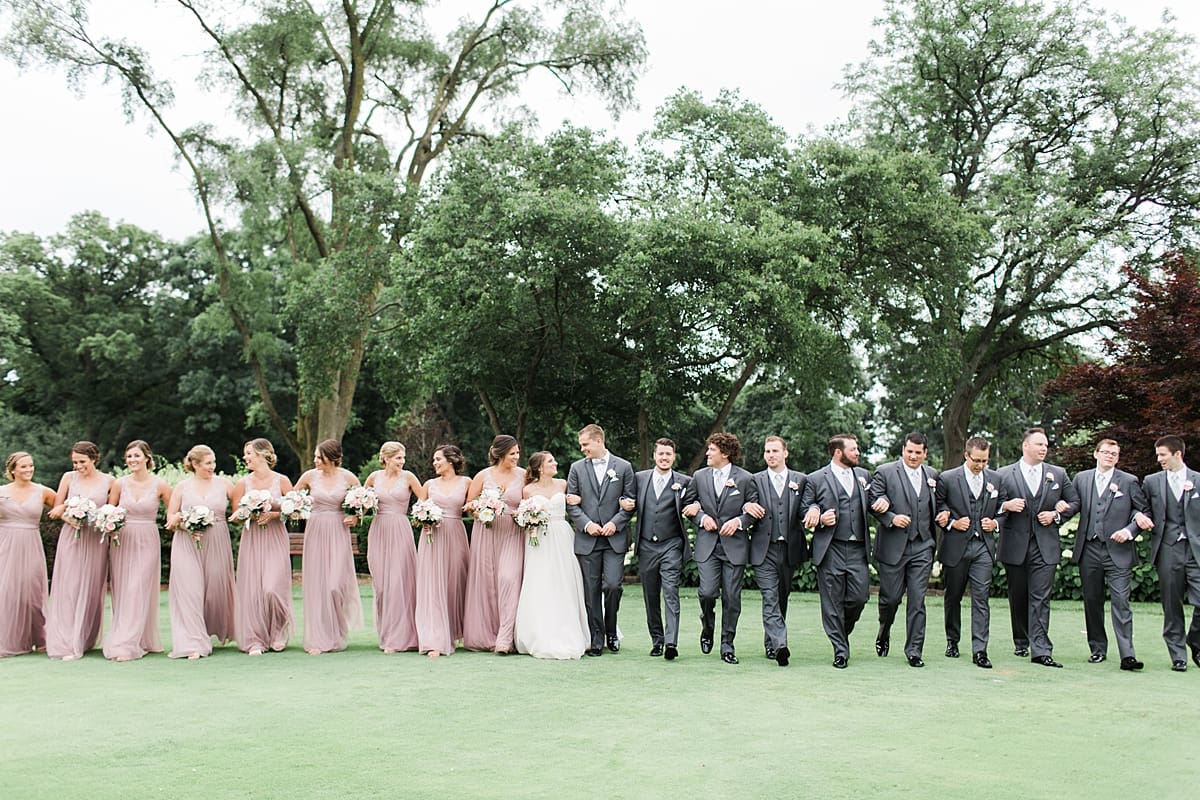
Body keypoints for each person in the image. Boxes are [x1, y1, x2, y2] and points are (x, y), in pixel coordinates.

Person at [996, 427, 1080, 667]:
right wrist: (1006, 506)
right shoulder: (1004, 474)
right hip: (1014, 544)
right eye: (1039, 444)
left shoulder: (1058, 474)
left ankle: (1041, 650)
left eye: (1046, 445)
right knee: (1018, 596)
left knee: (1041, 598)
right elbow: (992, 505)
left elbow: (1074, 502)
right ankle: (1021, 641)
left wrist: (1055, 514)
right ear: (1026, 446)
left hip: (1045, 545)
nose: (1044, 449)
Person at [1070, 439, 1152, 670]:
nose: (1109, 456)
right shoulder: (1082, 479)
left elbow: (1141, 510)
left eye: (1114, 454)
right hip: (1089, 549)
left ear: (1118, 458)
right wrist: (1058, 511)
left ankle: (1127, 655)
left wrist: (1129, 531)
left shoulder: (1128, 481)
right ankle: (1097, 649)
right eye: (1105, 452)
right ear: (1095, 454)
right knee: (1092, 601)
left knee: (1121, 601)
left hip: (1118, 551)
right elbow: (1073, 505)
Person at [680, 432, 758, 665]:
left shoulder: (745, 479)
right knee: (707, 592)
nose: (707, 454)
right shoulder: (700, 476)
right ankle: (708, 626)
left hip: (734, 547)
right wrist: (702, 517)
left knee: (732, 598)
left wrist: (740, 522)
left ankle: (727, 644)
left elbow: (754, 510)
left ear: (725, 453)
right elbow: (689, 503)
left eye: (711, 450)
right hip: (707, 546)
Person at [802, 433, 873, 668]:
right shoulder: (815, 478)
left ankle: (841, 631)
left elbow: (874, 501)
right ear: (838, 452)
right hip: (831, 548)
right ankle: (840, 651)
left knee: (860, 597)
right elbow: (806, 506)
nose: (858, 453)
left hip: (857, 548)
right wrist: (820, 516)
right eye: (853, 449)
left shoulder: (863, 476)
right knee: (832, 602)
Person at [935, 436, 1006, 668]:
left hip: (983, 547)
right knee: (953, 596)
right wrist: (952, 522)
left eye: (985, 461)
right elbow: (939, 506)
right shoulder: (947, 478)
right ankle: (952, 640)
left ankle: (980, 650)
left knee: (981, 598)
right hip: (956, 545)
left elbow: (1003, 508)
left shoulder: (996, 479)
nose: (981, 465)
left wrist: (995, 523)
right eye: (977, 460)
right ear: (966, 455)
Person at [868, 432, 939, 667]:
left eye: (918, 453)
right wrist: (890, 517)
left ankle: (914, 651)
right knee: (891, 599)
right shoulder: (885, 472)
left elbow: (940, 503)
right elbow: (873, 502)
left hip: (923, 546)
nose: (913, 456)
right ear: (903, 450)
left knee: (917, 600)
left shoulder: (932, 476)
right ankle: (884, 630)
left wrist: (945, 514)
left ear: (925, 453)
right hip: (893, 547)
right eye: (910, 451)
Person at [565, 424, 636, 657]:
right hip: (588, 539)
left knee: (613, 585)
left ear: (598, 441)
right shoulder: (576, 468)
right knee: (591, 591)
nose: (582, 449)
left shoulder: (624, 467)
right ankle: (597, 638)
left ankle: (611, 630)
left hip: (614, 538)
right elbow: (572, 504)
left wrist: (615, 522)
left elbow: (629, 501)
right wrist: (587, 524)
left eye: (585, 444)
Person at [514, 452, 590, 659]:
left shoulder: (562, 484)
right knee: (541, 581)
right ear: (539, 467)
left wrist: (579, 499)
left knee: (565, 579)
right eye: (550, 461)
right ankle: (540, 631)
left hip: (562, 535)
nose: (555, 463)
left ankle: (571, 628)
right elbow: (523, 513)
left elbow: (578, 503)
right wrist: (529, 518)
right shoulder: (528, 490)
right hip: (538, 539)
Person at [293, 439, 365, 655]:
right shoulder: (309, 477)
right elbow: (292, 498)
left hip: (338, 531)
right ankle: (318, 638)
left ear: (332, 458)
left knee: (335, 585)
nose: (315, 461)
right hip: (315, 530)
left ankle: (337, 632)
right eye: (315, 457)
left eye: (319, 457)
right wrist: (296, 509)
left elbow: (362, 504)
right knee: (318, 585)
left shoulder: (348, 477)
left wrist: (355, 516)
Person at [164, 444, 236, 659]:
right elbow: (170, 519)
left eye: (213, 462)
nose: (212, 467)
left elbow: (239, 509)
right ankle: (193, 644)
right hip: (186, 543)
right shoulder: (182, 487)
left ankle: (211, 630)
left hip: (217, 542)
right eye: (207, 463)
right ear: (195, 464)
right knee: (190, 591)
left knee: (214, 591)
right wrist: (184, 523)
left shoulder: (225, 484)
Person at [44, 441, 113, 660]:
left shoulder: (110, 481)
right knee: (69, 586)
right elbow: (57, 507)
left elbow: (110, 511)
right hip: (71, 538)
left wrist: (101, 518)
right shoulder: (68, 478)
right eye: (74, 462)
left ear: (94, 459)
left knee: (91, 587)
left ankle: (84, 637)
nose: (77, 466)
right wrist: (69, 515)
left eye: (82, 461)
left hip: (95, 540)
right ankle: (66, 640)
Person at [743, 436, 808, 667]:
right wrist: (746, 506)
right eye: (767, 451)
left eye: (775, 451)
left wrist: (814, 512)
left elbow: (806, 507)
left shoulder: (800, 480)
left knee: (781, 598)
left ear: (785, 453)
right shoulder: (755, 480)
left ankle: (771, 642)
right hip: (764, 549)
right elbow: (748, 502)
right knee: (770, 597)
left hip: (789, 549)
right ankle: (781, 645)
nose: (770, 455)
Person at [103, 440, 171, 661]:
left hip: (148, 539)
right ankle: (135, 638)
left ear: (147, 458)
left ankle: (126, 644)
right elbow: (109, 511)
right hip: (122, 540)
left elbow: (173, 514)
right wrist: (109, 525)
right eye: (129, 456)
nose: (132, 460)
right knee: (124, 590)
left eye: (136, 456)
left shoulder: (160, 485)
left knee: (137, 588)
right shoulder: (120, 484)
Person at [628, 437, 692, 660]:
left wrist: (694, 507)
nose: (664, 458)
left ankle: (671, 643)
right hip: (646, 545)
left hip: (671, 545)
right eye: (661, 454)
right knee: (651, 595)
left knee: (671, 592)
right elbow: (628, 499)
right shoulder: (639, 479)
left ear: (674, 457)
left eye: (668, 454)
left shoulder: (685, 481)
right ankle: (657, 640)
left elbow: (693, 504)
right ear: (654, 456)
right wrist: (625, 503)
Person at [1141, 435, 1200, 672]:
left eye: (1162, 454)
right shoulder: (1152, 482)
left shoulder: (1198, 480)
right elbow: (1142, 508)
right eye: (1158, 455)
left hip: (1196, 550)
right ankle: (1178, 655)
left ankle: (1195, 640)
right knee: (1171, 604)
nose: (1159, 459)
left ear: (1177, 454)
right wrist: (1140, 517)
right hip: (1167, 549)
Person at [230, 437, 295, 655]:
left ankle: (278, 631)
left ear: (262, 454)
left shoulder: (282, 480)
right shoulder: (242, 483)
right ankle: (255, 639)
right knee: (253, 591)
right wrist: (247, 511)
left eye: (248, 453)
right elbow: (235, 515)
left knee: (272, 589)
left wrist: (274, 514)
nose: (245, 457)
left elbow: (295, 509)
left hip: (276, 538)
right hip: (253, 540)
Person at [463, 435, 526, 654]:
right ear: (500, 454)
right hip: (486, 533)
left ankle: (506, 638)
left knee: (508, 579)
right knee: (488, 584)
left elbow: (530, 499)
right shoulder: (483, 475)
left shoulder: (524, 475)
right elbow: (468, 505)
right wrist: (481, 508)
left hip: (512, 533)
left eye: (518, 453)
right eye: (512, 454)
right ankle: (488, 634)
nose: (517, 457)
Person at [363, 441, 423, 653]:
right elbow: (360, 502)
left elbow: (424, 500)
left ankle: (399, 638)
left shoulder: (409, 478)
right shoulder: (373, 478)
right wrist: (358, 510)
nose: (402, 461)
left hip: (400, 529)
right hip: (378, 530)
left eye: (403, 458)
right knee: (381, 586)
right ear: (386, 458)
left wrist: (423, 517)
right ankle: (386, 633)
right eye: (398, 458)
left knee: (399, 583)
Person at [414, 445, 471, 657]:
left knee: (455, 583)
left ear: (451, 460)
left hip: (455, 535)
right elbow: (418, 513)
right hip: (432, 539)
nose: (435, 463)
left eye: (438, 459)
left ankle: (454, 632)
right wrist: (423, 520)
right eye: (434, 460)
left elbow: (473, 507)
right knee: (432, 586)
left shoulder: (467, 482)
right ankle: (435, 639)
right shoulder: (428, 485)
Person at [0, 452, 56, 657]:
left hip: (32, 543)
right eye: (23, 467)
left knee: (34, 592)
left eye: (31, 466)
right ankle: (9, 640)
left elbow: (62, 507)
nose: (28, 470)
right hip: (5, 545)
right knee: (7, 592)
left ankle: (40, 638)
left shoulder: (43, 492)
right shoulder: (1, 492)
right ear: (13, 470)